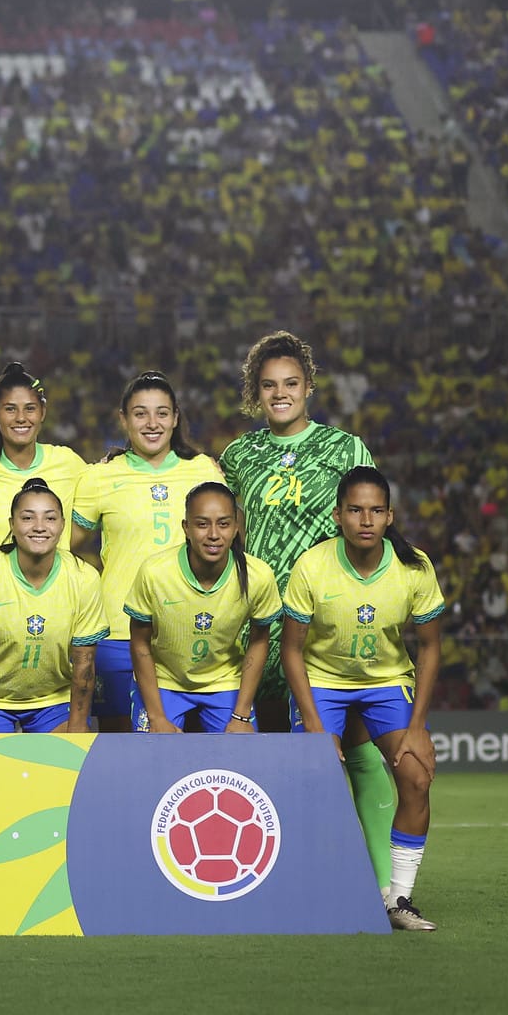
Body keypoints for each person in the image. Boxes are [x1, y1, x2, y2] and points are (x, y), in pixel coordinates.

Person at [218, 330, 397, 898]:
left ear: (309, 387)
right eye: (268, 385)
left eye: (290, 383)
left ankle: (381, 887)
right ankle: (282, 881)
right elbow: (217, 530)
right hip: (259, 627)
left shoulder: (347, 450)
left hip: (326, 630)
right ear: (255, 392)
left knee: (358, 753)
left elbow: (367, 531)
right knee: (278, 759)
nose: (280, 394)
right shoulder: (237, 456)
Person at [279, 466, 446, 930]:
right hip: (323, 681)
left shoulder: (414, 567)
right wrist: (314, 724)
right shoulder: (312, 565)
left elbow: (430, 647)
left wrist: (417, 728)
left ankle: (399, 899)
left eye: (375, 510)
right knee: (319, 777)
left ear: (390, 516)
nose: (365, 520)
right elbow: (291, 651)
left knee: (416, 777)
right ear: (338, 515)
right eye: (355, 510)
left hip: (387, 682)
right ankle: (319, 890)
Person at [72, 372, 225, 733]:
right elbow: (60, 548)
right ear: (124, 419)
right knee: (122, 749)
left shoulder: (203, 470)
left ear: (175, 418)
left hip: (191, 629)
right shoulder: (99, 478)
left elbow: (226, 543)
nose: (152, 423)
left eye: (161, 413)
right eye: (140, 414)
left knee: (195, 755)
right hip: (118, 631)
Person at [126, 483, 279, 735]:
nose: (213, 534)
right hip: (165, 680)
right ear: (186, 528)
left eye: (224, 523)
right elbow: (140, 643)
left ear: (236, 527)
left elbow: (259, 640)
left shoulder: (258, 576)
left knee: (241, 758)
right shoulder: (155, 572)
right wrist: (157, 717)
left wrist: (241, 716)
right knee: (151, 757)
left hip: (224, 680)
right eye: (202, 524)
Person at [0, 478, 106, 733]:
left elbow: (84, 663)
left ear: (62, 526)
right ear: (12, 525)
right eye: (28, 518)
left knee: (63, 767)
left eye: (50, 518)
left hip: (53, 699)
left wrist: (78, 728)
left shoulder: (84, 577)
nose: (39, 527)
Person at [0, 362, 86, 564]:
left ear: (43, 412)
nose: (21, 418)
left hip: (56, 593)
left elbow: (97, 509)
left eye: (30, 409)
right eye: (10, 409)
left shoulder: (68, 463)